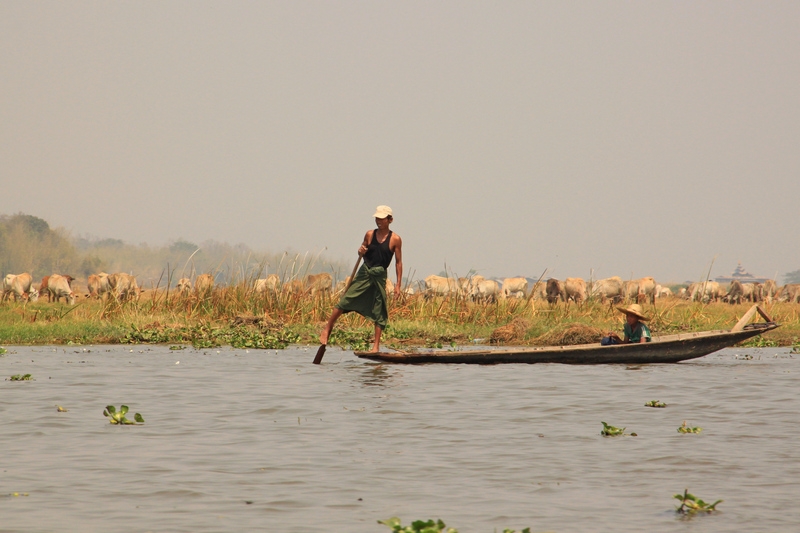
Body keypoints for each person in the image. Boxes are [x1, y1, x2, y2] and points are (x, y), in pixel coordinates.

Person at [319, 205, 403, 353]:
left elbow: (398, 262)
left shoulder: (395, 239)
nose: (379, 221)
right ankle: (327, 328)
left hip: (379, 275)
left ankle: (375, 346)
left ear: (390, 220)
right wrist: (360, 251)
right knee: (346, 300)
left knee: (380, 308)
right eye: (377, 218)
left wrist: (398, 285)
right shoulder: (370, 234)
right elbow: (362, 251)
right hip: (365, 272)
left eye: (382, 219)